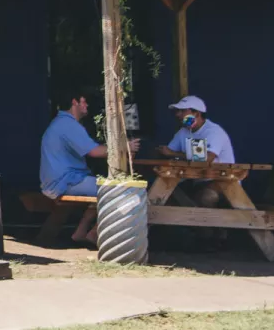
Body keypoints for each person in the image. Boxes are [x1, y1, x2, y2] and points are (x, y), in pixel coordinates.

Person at [40, 90, 140, 243]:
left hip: (58, 181)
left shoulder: (61, 122)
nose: (87, 105)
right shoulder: (69, 124)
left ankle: (80, 232)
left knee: (102, 187)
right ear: (75, 102)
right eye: (84, 101)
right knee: (119, 191)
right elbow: (94, 152)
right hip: (65, 182)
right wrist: (124, 147)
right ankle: (95, 233)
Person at [157, 95, 234, 209]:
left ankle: (209, 227)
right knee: (163, 194)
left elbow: (207, 159)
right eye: (177, 111)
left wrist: (173, 154)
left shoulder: (214, 131)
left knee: (206, 197)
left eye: (182, 111)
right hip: (194, 180)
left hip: (221, 180)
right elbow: (168, 152)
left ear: (196, 114)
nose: (178, 114)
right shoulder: (183, 132)